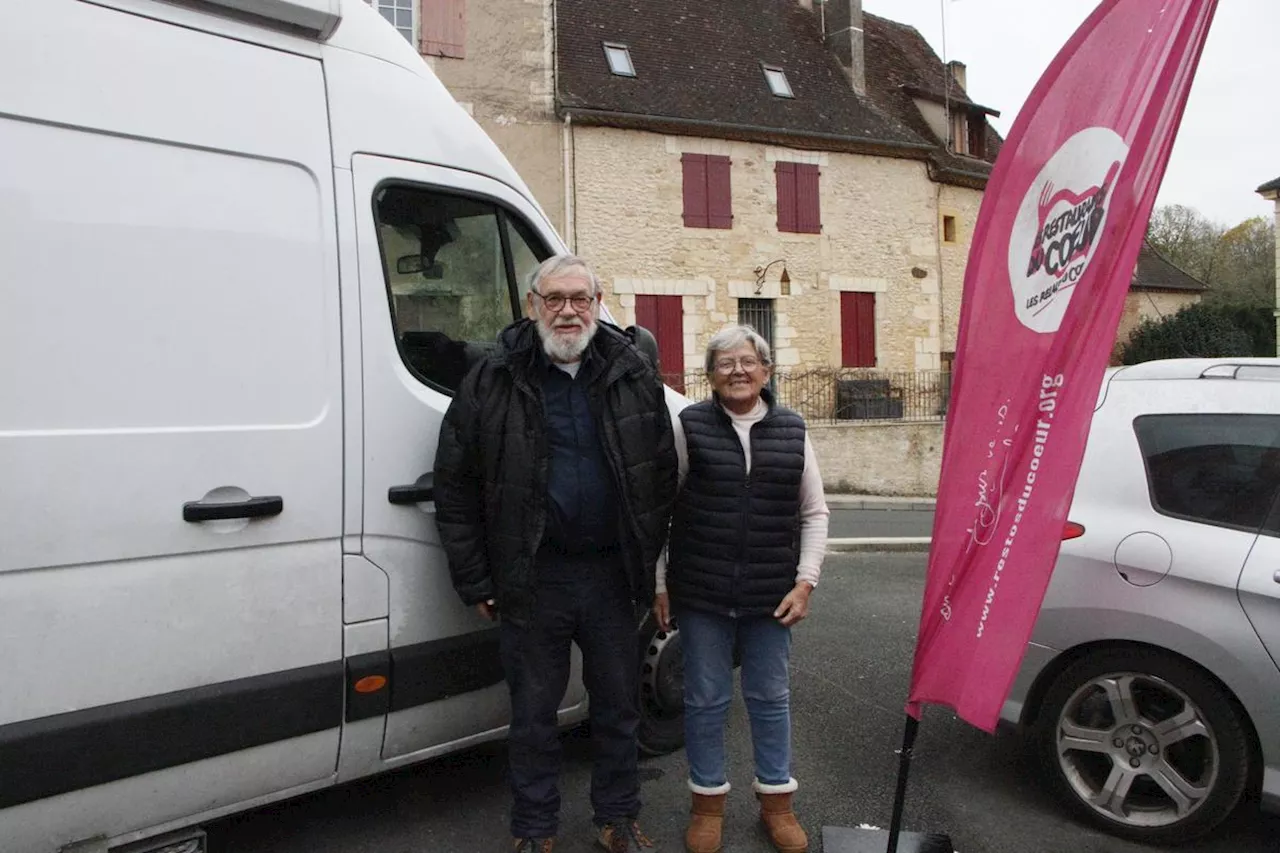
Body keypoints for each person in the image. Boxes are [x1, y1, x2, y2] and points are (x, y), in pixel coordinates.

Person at [434, 254, 678, 853]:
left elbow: (659, 479)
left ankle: (617, 819)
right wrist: (475, 577)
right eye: (554, 299)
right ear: (531, 306)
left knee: (619, 710)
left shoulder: (631, 372)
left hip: (611, 576)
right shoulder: (491, 379)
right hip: (531, 578)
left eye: (580, 299)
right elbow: (455, 484)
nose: (567, 311)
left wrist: (656, 570)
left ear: (598, 304)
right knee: (534, 718)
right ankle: (535, 829)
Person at [653, 324, 830, 853]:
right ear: (709, 375)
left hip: (771, 594)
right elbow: (663, 511)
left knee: (770, 698)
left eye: (747, 362)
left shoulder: (794, 429)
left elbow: (814, 511)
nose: (737, 371)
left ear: (767, 371)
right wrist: (659, 582)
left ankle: (778, 802)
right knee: (705, 700)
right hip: (702, 592)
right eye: (725, 363)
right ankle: (707, 804)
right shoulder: (690, 426)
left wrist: (806, 583)